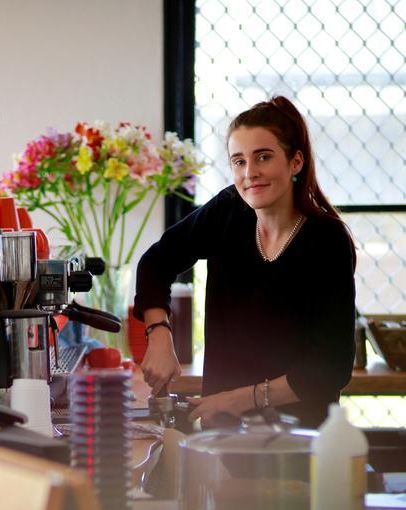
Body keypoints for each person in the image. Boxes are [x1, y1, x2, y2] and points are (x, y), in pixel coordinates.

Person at [134, 96, 357, 428]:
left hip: (297, 441)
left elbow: (328, 368)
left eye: (263, 157)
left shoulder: (326, 241)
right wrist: (159, 333)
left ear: (296, 162)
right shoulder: (229, 210)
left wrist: (234, 400)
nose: (250, 173)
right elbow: (156, 262)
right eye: (238, 161)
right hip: (220, 434)